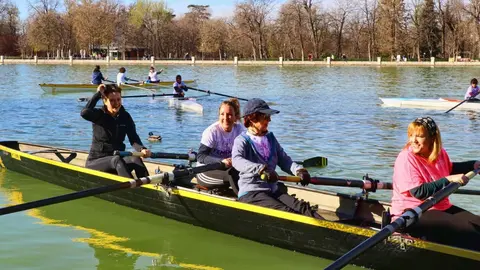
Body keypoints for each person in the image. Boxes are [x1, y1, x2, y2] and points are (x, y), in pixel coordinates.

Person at [391, 116, 480, 251]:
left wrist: (473, 164)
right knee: (470, 234)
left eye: (419, 136)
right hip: (412, 213)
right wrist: (448, 179)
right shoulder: (406, 158)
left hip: (439, 206)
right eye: (411, 135)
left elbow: (449, 169)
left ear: (432, 138)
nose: (413, 140)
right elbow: (419, 193)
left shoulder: (439, 153)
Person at [231, 98, 321, 218]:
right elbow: (237, 161)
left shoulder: (270, 139)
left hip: (272, 190)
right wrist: (261, 169)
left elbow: (284, 160)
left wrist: (299, 170)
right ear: (252, 119)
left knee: (304, 208)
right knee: (287, 213)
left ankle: (335, 232)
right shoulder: (241, 141)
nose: (269, 120)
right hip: (252, 193)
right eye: (266, 117)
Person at [81, 84, 151, 178]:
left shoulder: (125, 116)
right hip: (96, 162)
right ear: (105, 101)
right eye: (112, 100)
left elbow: (133, 138)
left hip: (118, 161)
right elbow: (84, 113)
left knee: (135, 159)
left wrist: (142, 149)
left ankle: (147, 187)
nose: (116, 103)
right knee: (116, 159)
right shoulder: (98, 115)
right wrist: (98, 94)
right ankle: (131, 189)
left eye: (118, 99)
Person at [196, 99, 244, 193]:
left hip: (227, 170)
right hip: (205, 172)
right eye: (222, 114)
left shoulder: (239, 130)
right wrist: (221, 161)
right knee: (232, 174)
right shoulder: (212, 132)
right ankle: (245, 201)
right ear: (219, 115)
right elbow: (200, 156)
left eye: (229, 114)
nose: (226, 118)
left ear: (235, 117)